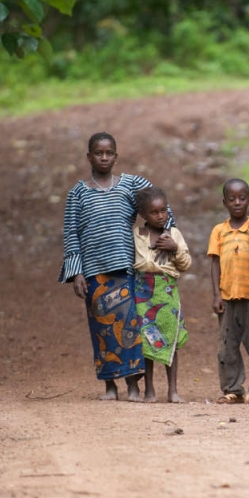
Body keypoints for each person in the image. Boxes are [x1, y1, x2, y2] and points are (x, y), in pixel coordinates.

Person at [59, 131, 160, 401]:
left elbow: (158, 206)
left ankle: (133, 386)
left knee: (129, 329)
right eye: (98, 153)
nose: (104, 157)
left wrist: (164, 237)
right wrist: (77, 272)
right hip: (94, 273)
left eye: (109, 153)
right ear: (89, 156)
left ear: (116, 156)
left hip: (125, 269)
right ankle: (110, 386)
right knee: (102, 329)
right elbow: (71, 235)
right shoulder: (78, 194)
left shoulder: (130, 185)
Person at [207, 178, 249, 404]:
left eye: (242, 198)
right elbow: (214, 263)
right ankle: (232, 389)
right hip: (228, 297)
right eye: (232, 199)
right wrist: (216, 294)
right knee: (226, 346)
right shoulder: (219, 231)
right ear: (225, 202)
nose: (237, 202)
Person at [133, 186, 191, 403]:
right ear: (143, 214)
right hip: (143, 293)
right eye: (154, 212)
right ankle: (149, 390)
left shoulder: (173, 234)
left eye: (163, 211)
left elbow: (186, 265)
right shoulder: (137, 235)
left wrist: (174, 248)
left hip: (167, 293)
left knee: (170, 339)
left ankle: (173, 390)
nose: (160, 216)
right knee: (146, 341)